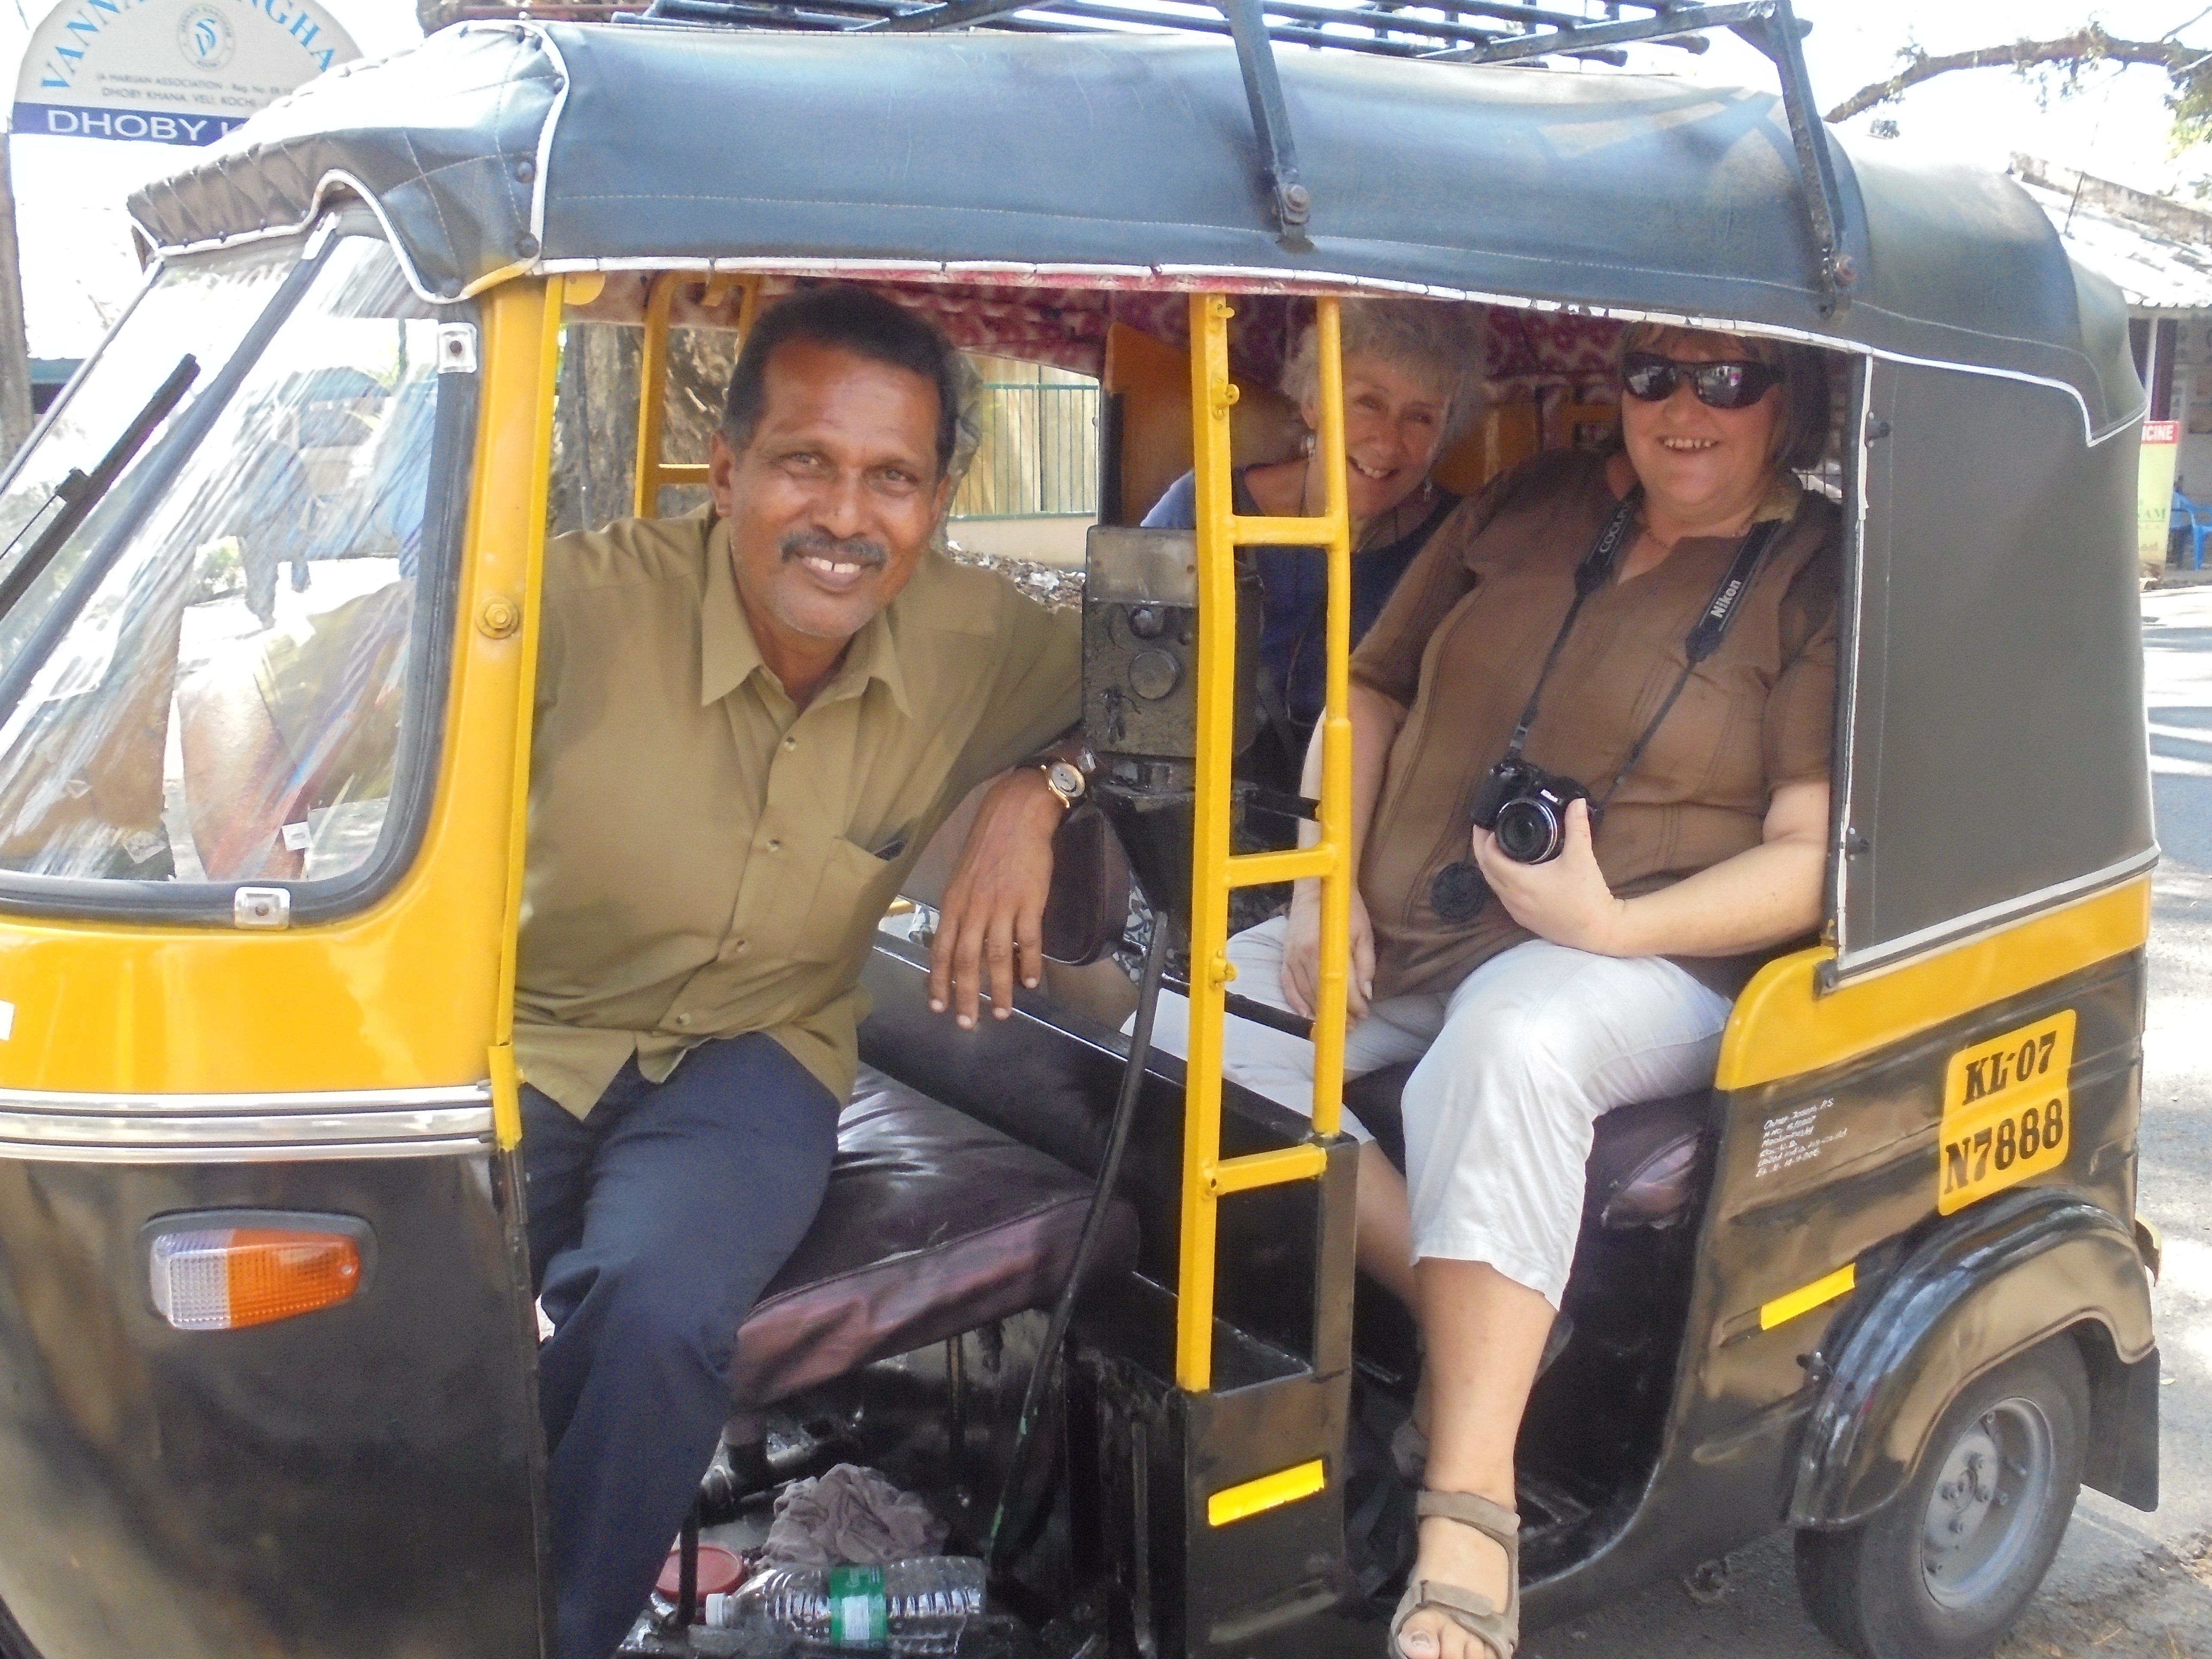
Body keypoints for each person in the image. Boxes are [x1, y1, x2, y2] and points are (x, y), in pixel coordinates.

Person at [178, 286, 1085, 1659]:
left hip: (759, 1052)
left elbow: (1174, 681)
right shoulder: (572, 602)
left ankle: (547, 1633)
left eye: (891, 479)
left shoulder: (981, 637)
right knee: (374, 1291)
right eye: (805, 463)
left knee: (659, 1307)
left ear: (937, 499)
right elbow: (238, 693)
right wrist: (256, 855)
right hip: (529, 1030)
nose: (847, 516)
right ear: (726, 472)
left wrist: (1041, 787)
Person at [1154, 322, 1837, 1659]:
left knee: (1509, 1042)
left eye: (1724, 379)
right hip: (1396, 919)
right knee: (1177, 1044)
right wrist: (1317, 880)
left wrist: (1612, 918)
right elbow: (1371, 688)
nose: (1680, 409)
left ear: (1785, 397)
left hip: (1640, 952)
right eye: (1651, 375)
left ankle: (1468, 1505)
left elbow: (1808, 859)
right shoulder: (1534, 500)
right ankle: (1475, 1300)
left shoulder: (1809, 572)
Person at [1142, 299, 1482, 786]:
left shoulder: (1460, 539)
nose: (1387, 441)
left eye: (1421, 417)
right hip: (1209, 811)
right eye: (1369, 402)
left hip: (1370, 819)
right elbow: (1126, 663)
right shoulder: (1208, 507)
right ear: (1314, 404)